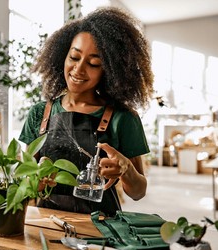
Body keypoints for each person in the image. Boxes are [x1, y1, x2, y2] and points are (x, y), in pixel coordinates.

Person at [18, 7, 154, 217]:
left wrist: (126, 170)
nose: (79, 70)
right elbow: (22, 180)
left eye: (94, 63)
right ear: (62, 55)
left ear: (110, 69)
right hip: (46, 225)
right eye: (74, 57)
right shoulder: (40, 113)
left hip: (101, 229)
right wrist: (34, 181)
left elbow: (138, 192)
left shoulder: (123, 118)